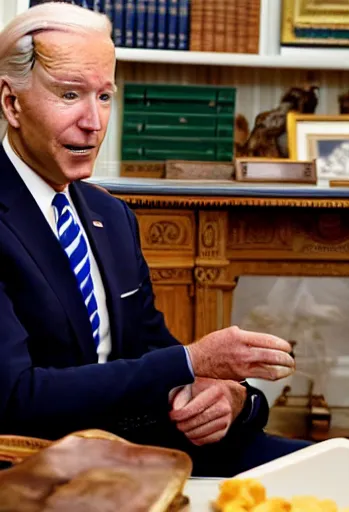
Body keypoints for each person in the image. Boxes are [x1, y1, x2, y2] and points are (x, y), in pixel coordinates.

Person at [0, 2, 311, 477]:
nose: (93, 121)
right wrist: (189, 360)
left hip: (141, 443)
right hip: (41, 466)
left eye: (104, 97)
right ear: (11, 102)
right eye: (69, 95)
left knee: (340, 472)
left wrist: (220, 394)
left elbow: (151, 355)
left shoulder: (111, 216)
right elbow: (16, 397)